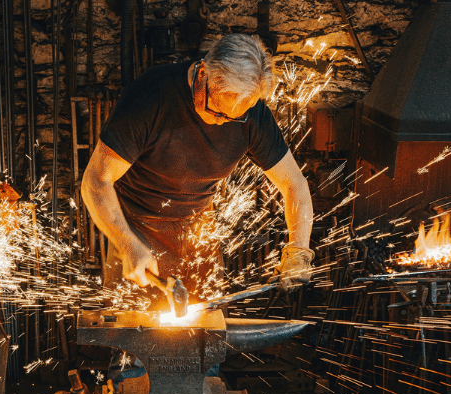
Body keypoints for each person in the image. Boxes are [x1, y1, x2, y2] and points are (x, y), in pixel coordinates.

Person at [81, 34, 314, 312]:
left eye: (235, 117)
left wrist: (298, 250)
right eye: (217, 111)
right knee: (133, 334)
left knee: (209, 333)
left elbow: (294, 184)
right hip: (136, 224)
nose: (221, 122)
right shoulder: (150, 96)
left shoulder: (253, 116)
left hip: (199, 229)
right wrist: (126, 243)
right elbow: (96, 180)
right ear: (202, 74)